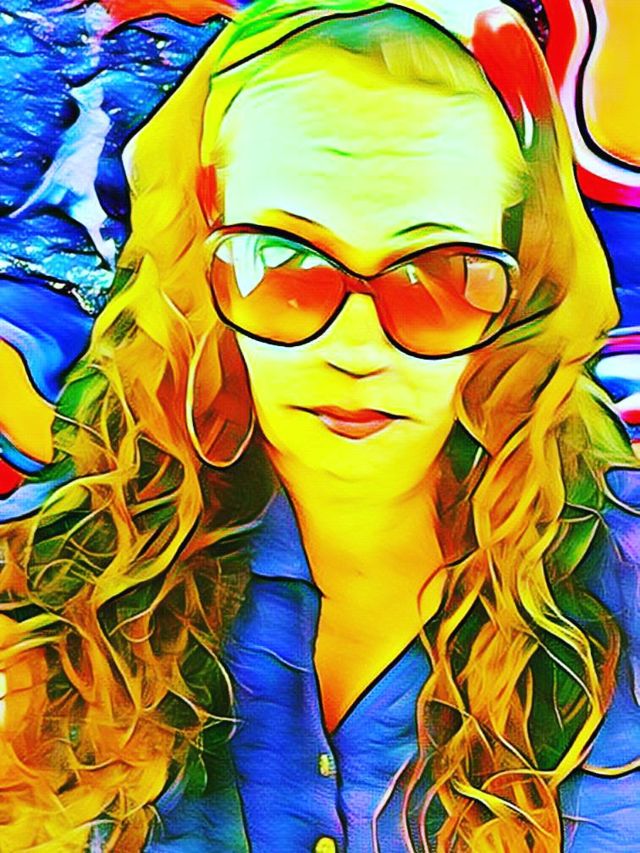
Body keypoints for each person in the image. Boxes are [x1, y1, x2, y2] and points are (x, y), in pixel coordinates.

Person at [1, 0, 639, 850]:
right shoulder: (48, 594)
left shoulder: (621, 584)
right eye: (285, 264)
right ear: (201, 252)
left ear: (521, 285)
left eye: (440, 276)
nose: (357, 349)